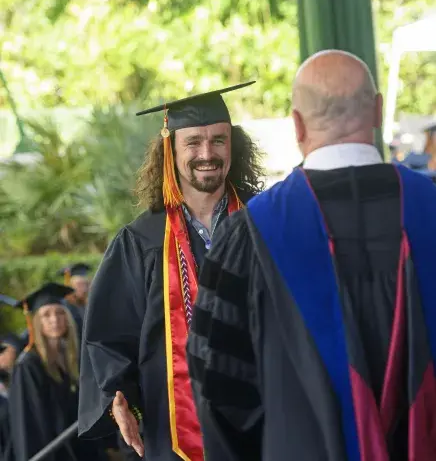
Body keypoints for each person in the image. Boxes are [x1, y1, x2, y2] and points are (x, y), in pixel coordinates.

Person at [187, 50, 436, 461]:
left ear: (297, 124)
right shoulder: (430, 208)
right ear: (376, 110)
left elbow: (219, 391)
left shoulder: (248, 235)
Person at [78, 81, 264, 461]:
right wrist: (117, 398)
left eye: (218, 140)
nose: (207, 153)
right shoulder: (140, 241)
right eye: (193, 142)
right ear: (171, 149)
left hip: (266, 422)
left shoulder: (267, 223)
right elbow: (109, 338)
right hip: (176, 434)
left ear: (233, 145)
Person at [8, 283, 108, 461]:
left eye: (60, 313)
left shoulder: (72, 360)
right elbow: (28, 426)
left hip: (80, 450)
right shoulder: (28, 366)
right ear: (37, 322)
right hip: (52, 454)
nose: (55, 320)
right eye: (46, 315)